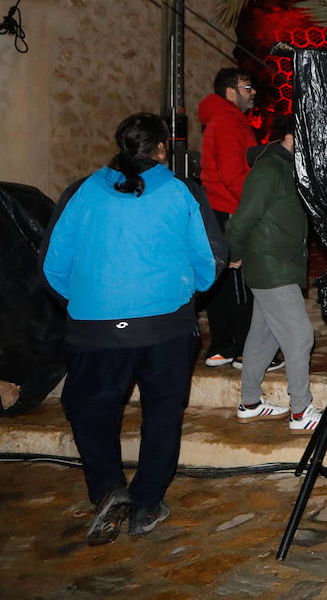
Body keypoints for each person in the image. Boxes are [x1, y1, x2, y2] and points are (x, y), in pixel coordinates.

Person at [43, 113, 225, 544]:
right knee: (162, 412)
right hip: (165, 324)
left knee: (89, 408)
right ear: (162, 150)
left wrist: (90, 303)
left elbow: (53, 264)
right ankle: (147, 502)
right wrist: (183, 296)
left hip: (95, 326)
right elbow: (211, 258)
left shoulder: (82, 191)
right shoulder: (182, 191)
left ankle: (109, 487)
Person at [228, 114, 326, 432]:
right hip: (271, 265)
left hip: (278, 263)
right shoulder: (269, 169)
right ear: (289, 138)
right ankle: (301, 411)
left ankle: (250, 403)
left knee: (264, 335)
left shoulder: (288, 167)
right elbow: (242, 219)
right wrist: (234, 254)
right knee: (300, 336)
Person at [197, 67, 258, 367]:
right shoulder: (227, 121)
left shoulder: (226, 119)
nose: (253, 92)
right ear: (230, 92)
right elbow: (233, 173)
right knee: (239, 283)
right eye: (247, 87)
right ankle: (241, 348)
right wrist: (255, 206)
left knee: (224, 282)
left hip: (224, 209)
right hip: (232, 209)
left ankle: (224, 348)